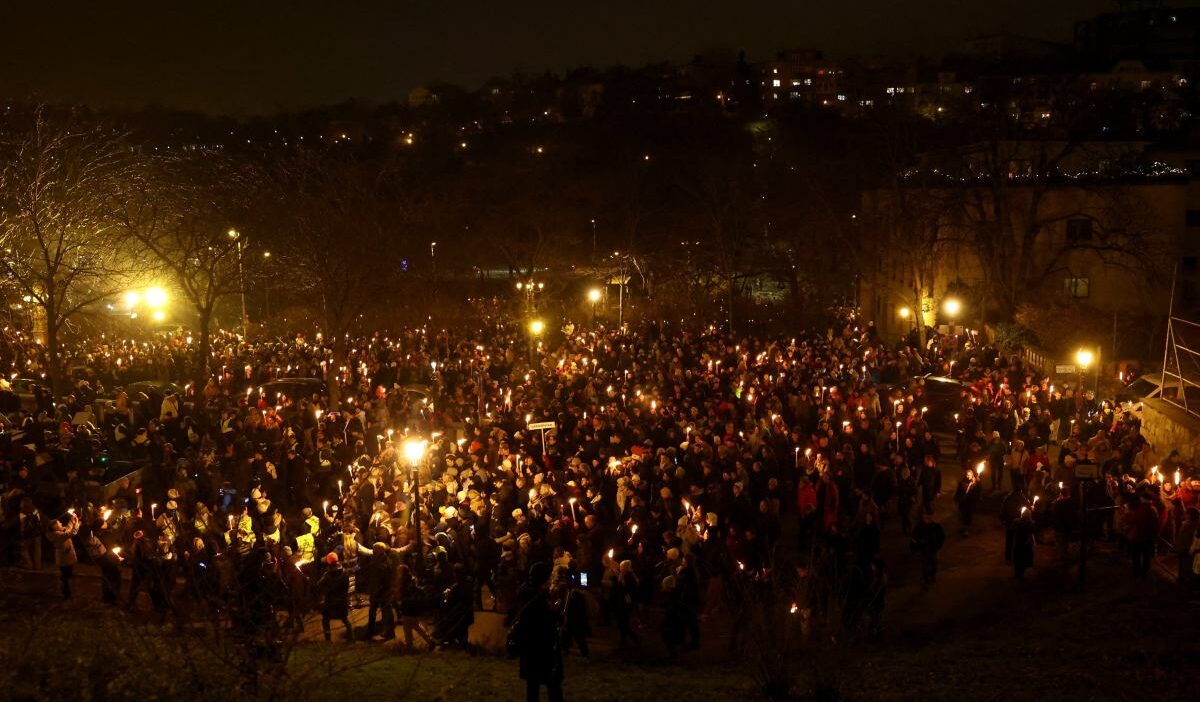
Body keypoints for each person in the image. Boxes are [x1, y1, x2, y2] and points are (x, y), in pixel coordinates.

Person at [510, 562, 564, 702]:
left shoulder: (525, 593)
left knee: (532, 687)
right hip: (542, 650)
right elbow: (545, 624)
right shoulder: (539, 600)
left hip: (529, 651)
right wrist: (556, 609)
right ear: (544, 579)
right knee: (553, 686)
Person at [316, 552, 354, 641]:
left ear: (329, 562)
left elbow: (319, 585)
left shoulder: (327, 574)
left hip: (331, 601)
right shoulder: (345, 572)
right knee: (345, 619)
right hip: (342, 600)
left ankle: (328, 639)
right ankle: (352, 638)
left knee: (325, 619)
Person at [46, 512, 80, 599]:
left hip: (67, 558)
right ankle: (66, 592)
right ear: (55, 527)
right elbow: (72, 533)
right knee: (65, 576)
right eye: (59, 523)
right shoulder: (56, 535)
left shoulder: (60, 532)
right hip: (64, 559)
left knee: (68, 575)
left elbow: (68, 528)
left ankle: (67, 590)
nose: (61, 523)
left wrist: (73, 519)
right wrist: (76, 524)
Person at [911, 509, 945, 590]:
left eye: (929, 516)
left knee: (935, 563)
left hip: (934, 549)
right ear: (923, 517)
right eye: (926, 516)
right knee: (924, 566)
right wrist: (918, 545)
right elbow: (914, 538)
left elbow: (942, 536)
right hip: (924, 550)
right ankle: (925, 580)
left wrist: (938, 545)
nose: (928, 518)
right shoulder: (919, 527)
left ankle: (932, 575)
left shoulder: (936, 526)